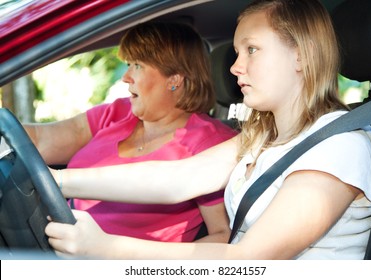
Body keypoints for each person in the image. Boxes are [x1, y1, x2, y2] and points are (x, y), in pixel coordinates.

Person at [45, 0, 371, 259]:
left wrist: (108, 250)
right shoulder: (262, 136)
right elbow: (177, 179)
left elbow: (250, 260)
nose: (235, 67)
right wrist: (58, 181)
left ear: (301, 56)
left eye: (251, 49)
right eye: (236, 52)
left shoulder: (339, 145)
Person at [24, 21, 237, 243]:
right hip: (53, 240)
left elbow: (223, 235)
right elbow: (40, 141)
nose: (125, 76)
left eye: (137, 65)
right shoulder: (118, 112)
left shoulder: (212, 144)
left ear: (174, 79)